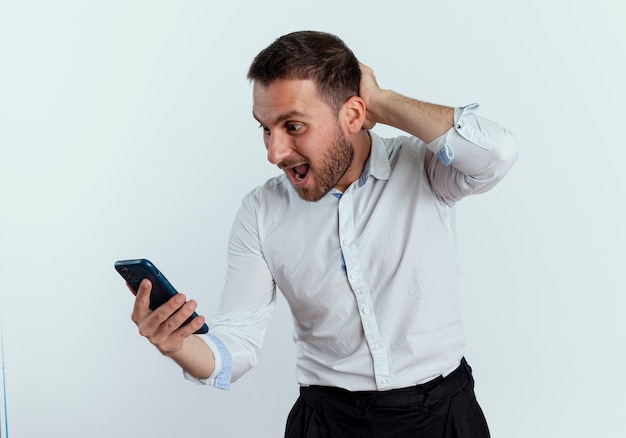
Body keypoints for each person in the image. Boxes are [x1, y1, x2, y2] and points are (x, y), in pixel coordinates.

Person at [129, 30, 519, 437]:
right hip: (327, 423)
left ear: (352, 116)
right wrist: (177, 346)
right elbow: (236, 346)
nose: (273, 153)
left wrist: (381, 101)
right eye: (265, 129)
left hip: (443, 417)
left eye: (293, 126)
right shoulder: (261, 211)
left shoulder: (424, 168)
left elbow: (498, 154)